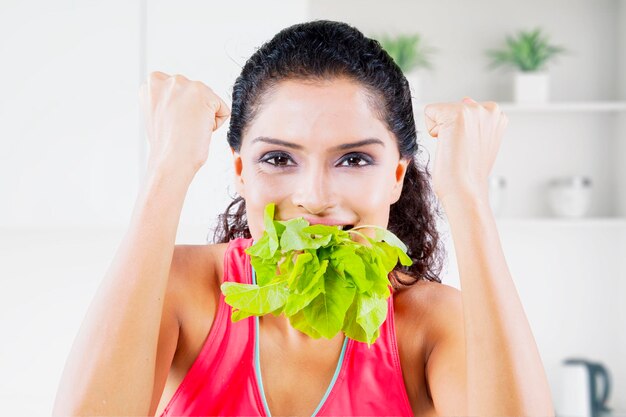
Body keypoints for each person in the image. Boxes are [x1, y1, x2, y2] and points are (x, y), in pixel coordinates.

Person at [53, 20, 554, 416]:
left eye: (355, 159)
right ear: (241, 172)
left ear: (397, 176)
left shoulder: (430, 326)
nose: (314, 197)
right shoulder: (183, 291)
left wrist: (468, 197)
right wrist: (166, 170)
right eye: (278, 158)